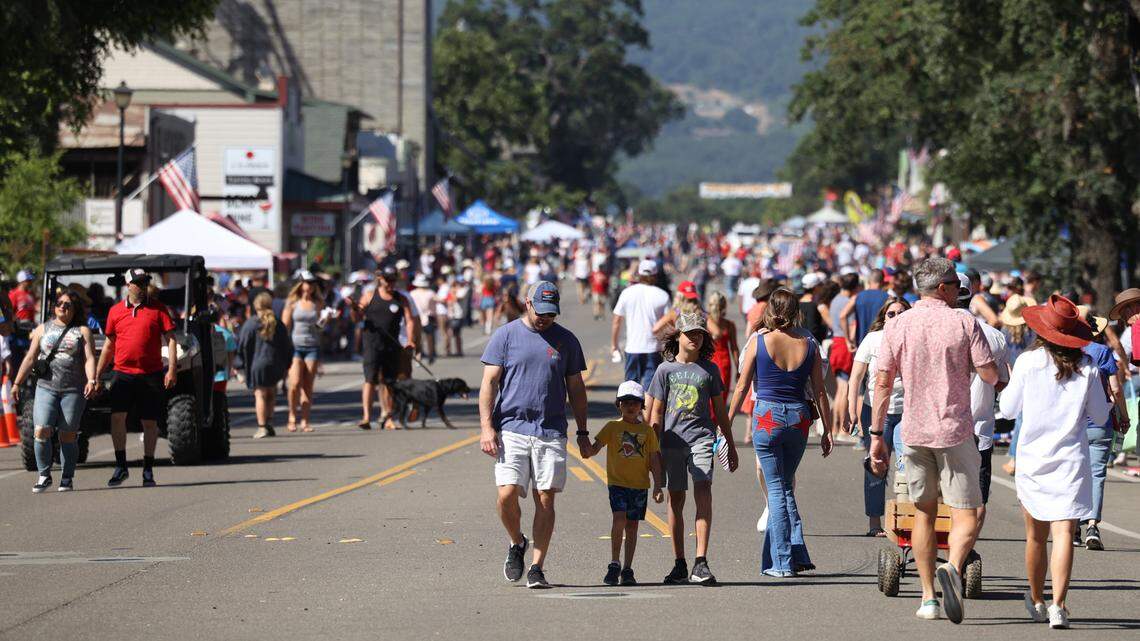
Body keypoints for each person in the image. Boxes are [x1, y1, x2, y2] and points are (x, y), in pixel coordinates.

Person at [870, 257, 999, 623]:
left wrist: (877, 434)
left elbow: (882, 382)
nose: (959, 292)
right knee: (969, 512)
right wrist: (996, 373)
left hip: (913, 430)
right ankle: (954, 567)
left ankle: (928, 598)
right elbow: (988, 374)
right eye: (955, 287)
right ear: (942, 288)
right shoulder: (963, 321)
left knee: (923, 513)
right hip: (954, 431)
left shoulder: (900, 324)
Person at [998, 295, 1112, 629]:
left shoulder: (1029, 363)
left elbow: (1007, 410)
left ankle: (1036, 599)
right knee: (1064, 532)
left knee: (1036, 535)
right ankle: (1059, 605)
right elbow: (1100, 416)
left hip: (1034, 459)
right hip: (1071, 459)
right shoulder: (1088, 368)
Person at [479, 282, 588, 589]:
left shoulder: (566, 340)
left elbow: (576, 389)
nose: (544, 319)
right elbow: (489, 383)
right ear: (527, 303)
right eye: (540, 312)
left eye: (550, 315)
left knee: (545, 498)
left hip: (550, 430)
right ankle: (517, 542)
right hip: (511, 427)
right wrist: (487, 427)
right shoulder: (506, 336)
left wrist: (582, 430)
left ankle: (537, 567)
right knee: (506, 494)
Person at [728, 289, 833, 577]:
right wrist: (826, 428)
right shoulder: (809, 343)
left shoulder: (759, 341)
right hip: (798, 416)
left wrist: (725, 424)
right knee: (785, 486)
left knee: (776, 488)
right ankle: (795, 551)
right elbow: (820, 389)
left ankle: (782, 561)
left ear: (768, 310)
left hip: (767, 416)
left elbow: (742, 385)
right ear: (796, 311)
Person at [646, 312, 738, 585]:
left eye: (700, 334)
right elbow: (657, 414)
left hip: (701, 439)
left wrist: (730, 444)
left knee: (703, 490)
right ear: (678, 337)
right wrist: (654, 452)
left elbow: (720, 411)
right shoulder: (665, 370)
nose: (696, 338)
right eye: (691, 334)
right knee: (676, 500)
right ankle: (679, 562)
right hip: (672, 443)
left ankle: (701, 561)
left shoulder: (709, 370)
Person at [94, 269, 178, 487]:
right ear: (128, 285)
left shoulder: (159, 309)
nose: (141, 287)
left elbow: (171, 340)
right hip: (123, 373)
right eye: (137, 283)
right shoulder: (115, 311)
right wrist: (97, 374)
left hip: (151, 374)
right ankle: (121, 466)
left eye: (144, 282)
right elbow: (109, 345)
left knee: (149, 422)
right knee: (117, 418)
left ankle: (148, 469)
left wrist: (172, 370)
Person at [12, 289, 97, 492]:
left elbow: (90, 358)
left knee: (67, 435)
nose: (62, 307)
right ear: (54, 307)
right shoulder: (43, 329)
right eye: (59, 303)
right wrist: (17, 383)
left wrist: (92, 379)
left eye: (67, 304)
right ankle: (44, 475)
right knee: (41, 430)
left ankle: (67, 477)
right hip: (46, 387)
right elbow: (31, 357)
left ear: (74, 309)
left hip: (73, 390)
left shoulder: (83, 331)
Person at [579, 380, 664, 586]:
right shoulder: (612, 427)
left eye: (635, 402)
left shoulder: (647, 432)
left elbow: (654, 460)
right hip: (617, 484)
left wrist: (658, 486)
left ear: (641, 406)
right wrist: (585, 446)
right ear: (618, 405)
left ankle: (627, 568)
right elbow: (594, 449)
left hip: (640, 485)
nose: (630, 406)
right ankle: (614, 563)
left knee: (633, 526)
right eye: (625, 402)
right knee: (619, 519)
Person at [954, 273, 1009, 549]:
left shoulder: (931, 329)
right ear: (972, 293)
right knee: (977, 499)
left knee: (940, 497)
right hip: (979, 428)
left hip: (940, 428)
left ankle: (950, 551)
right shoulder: (994, 336)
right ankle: (963, 552)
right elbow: (1002, 384)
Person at [847, 298, 910, 536]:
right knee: (877, 465)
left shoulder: (914, 338)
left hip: (907, 411)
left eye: (901, 313)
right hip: (875, 410)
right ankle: (875, 522)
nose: (896, 317)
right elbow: (855, 378)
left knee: (908, 466)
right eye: (891, 314)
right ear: (884, 318)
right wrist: (851, 408)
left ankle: (906, 521)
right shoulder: (872, 340)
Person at [1074, 308, 1128, 550]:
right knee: (1097, 474)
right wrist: (1124, 417)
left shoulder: (1069, 351)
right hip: (1100, 422)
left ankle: (1072, 525)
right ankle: (1092, 526)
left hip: (1073, 422)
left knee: (1075, 472)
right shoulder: (1103, 352)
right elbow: (1115, 389)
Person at [352, 266, 419, 430]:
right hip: (372, 345)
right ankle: (366, 417)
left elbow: (410, 319)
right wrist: (354, 309)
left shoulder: (400, 298)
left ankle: (388, 417)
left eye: (393, 280)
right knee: (369, 380)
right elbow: (357, 316)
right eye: (387, 280)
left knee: (389, 382)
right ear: (380, 279)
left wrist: (410, 340)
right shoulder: (369, 296)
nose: (390, 283)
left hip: (392, 345)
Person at [239, 292, 293, 439]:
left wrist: (240, 366)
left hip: (258, 364)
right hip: (275, 364)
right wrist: (287, 365)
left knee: (260, 395)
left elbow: (243, 345)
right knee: (271, 393)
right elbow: (287, 345)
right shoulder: (278, 323)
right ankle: (269, 423)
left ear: (256, 306)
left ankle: (262, 426)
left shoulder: (251, 324)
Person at [611, 260, 670, 390]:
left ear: (639, 274)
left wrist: (614, 345)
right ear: (655, 275)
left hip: (633, 348)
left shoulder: (627, 293)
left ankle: (632, 410)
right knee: (651, 391)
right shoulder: (663, 295)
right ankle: (647, 411)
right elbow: (668, 324)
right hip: (654, 348)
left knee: (631, 390)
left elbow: (616, 321)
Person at [282, 272, 325, 433]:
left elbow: (320, 327)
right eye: (308, 282)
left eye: (313, 283)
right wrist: (283, 347)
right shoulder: (293, 303)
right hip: (295, 347)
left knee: (308, 386)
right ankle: (292, 417)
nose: (311, 285)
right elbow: (285, 326)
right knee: (294, 384)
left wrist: (325, 321)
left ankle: (305, 420)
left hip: (312, 346)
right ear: (301, 284)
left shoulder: (318, 303)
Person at [829, 271, 861, 437]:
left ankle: (835, 428)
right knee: (845, 388)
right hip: (844, 343)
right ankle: (843, 428)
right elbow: (851, 323)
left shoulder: (835, 300)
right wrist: (850, 340)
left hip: (836, 341)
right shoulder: (849, 301)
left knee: (840, 388)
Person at [706, 291, 739, 402]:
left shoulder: (705, 322)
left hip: (707, 360)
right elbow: (734, 348)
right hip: (724, 363)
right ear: (724, 306)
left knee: (707, 394)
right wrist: (738, 368)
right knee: (721, 395)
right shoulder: (729, 325)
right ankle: (718, 418)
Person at [841, 269, 889, 346]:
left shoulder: (857, 297)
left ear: (869, 281)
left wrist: (848, 341)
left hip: (862, 343)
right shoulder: (888, 298)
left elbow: (842, 316)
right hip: (881, 343)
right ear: (882, 281)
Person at [408, 274, 438, 364]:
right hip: (428, 317)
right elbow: (438, 301)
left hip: (416, 317)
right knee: (430, 338)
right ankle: (431, 354)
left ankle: (418, 356)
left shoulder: (412, 294)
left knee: (418, 338)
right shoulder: (430, 293)